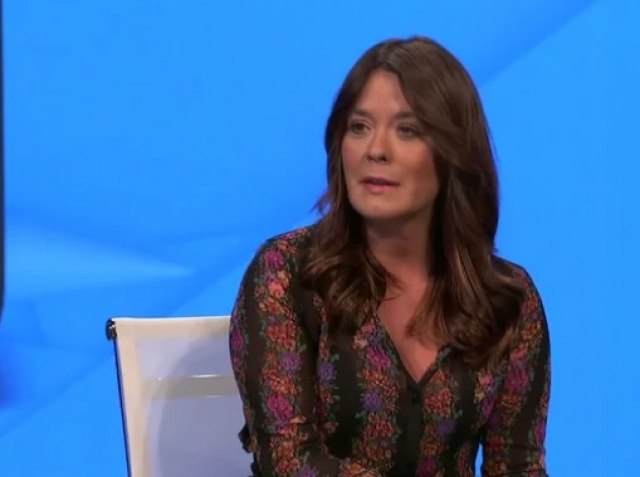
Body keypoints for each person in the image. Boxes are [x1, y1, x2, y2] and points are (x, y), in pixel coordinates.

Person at [228, 35, 551, 477]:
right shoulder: (285, 273)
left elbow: (517, 463)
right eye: (359, 127)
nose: (376, 150)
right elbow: (291, 462)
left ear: (453, 153)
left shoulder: (507, 300)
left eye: (407, 130)